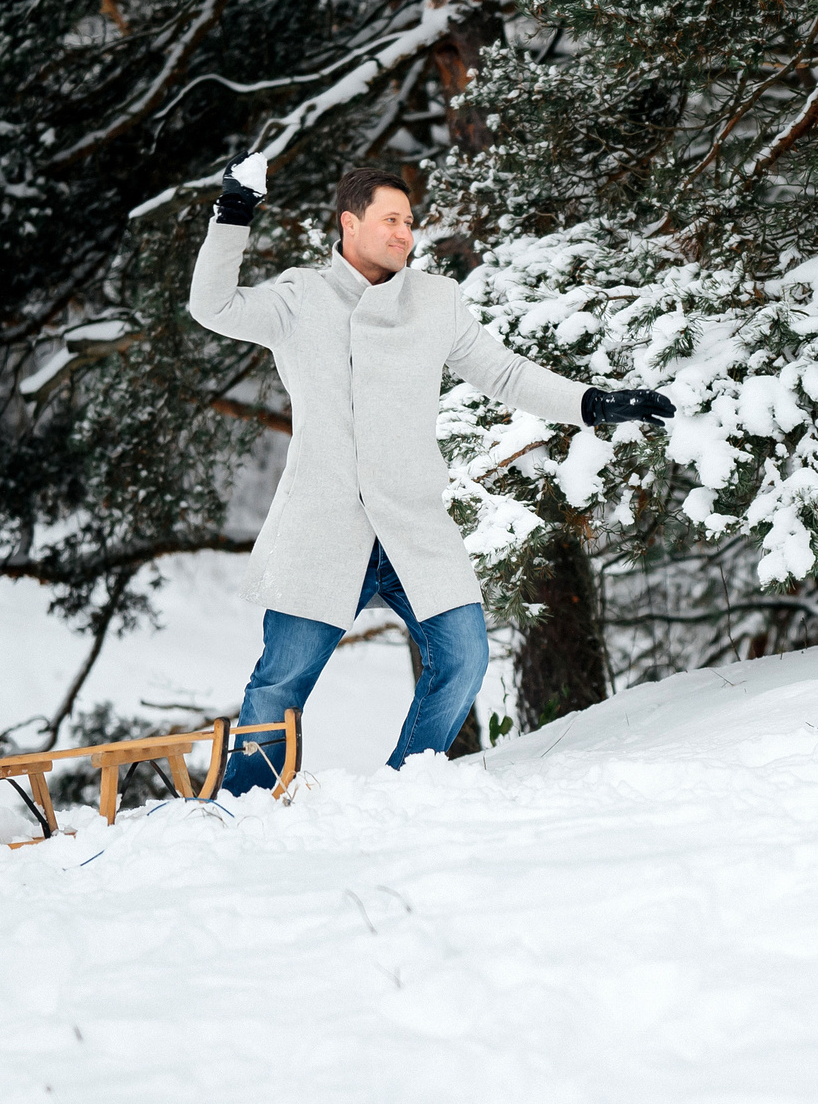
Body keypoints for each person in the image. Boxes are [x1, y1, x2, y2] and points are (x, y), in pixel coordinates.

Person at [189, 157, 674, 789]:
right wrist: (233, 214)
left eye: (409, 221)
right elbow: (214, 306)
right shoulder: (299, 297)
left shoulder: (435, 301)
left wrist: (592, 403)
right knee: (280, 682)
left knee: (464, 657)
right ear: (349, 223)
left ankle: (406, 787)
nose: (405, 233)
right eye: (390, 220)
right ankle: (246, 803)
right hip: (323, 523)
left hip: (411, 523)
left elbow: (505, 373)